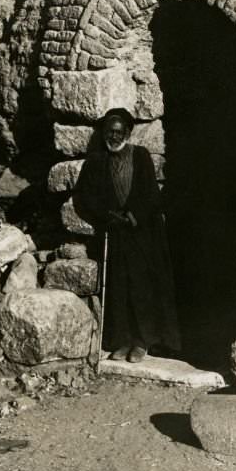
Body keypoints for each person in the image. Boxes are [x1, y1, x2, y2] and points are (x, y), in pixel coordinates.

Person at [72, 107, 181, 363]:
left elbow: (151, 194)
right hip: (114, 232)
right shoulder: (96, 161)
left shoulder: (140, 156)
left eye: (119, 132)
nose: (113, 136)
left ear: (128, 133)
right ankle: (121, 340)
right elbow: (84, 197)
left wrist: (134, 215)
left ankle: (142, 341)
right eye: (109, 131)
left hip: (141, 233)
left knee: (141, 287)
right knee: (118, 288)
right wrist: (107, 216)